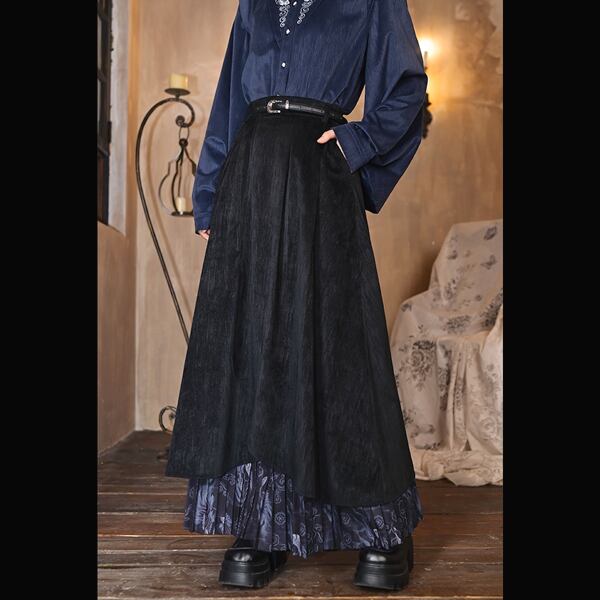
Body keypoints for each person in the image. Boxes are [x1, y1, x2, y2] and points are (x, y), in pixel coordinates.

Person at [166, 0, 428, 591]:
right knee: (255, 347)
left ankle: (381, 523)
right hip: (251, 177)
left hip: (318, 177)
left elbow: (408, 88)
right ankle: (262, 520)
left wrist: (357, 142)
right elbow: (229, 103)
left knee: (339, 348)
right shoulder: (254, 4)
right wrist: (209, 194)